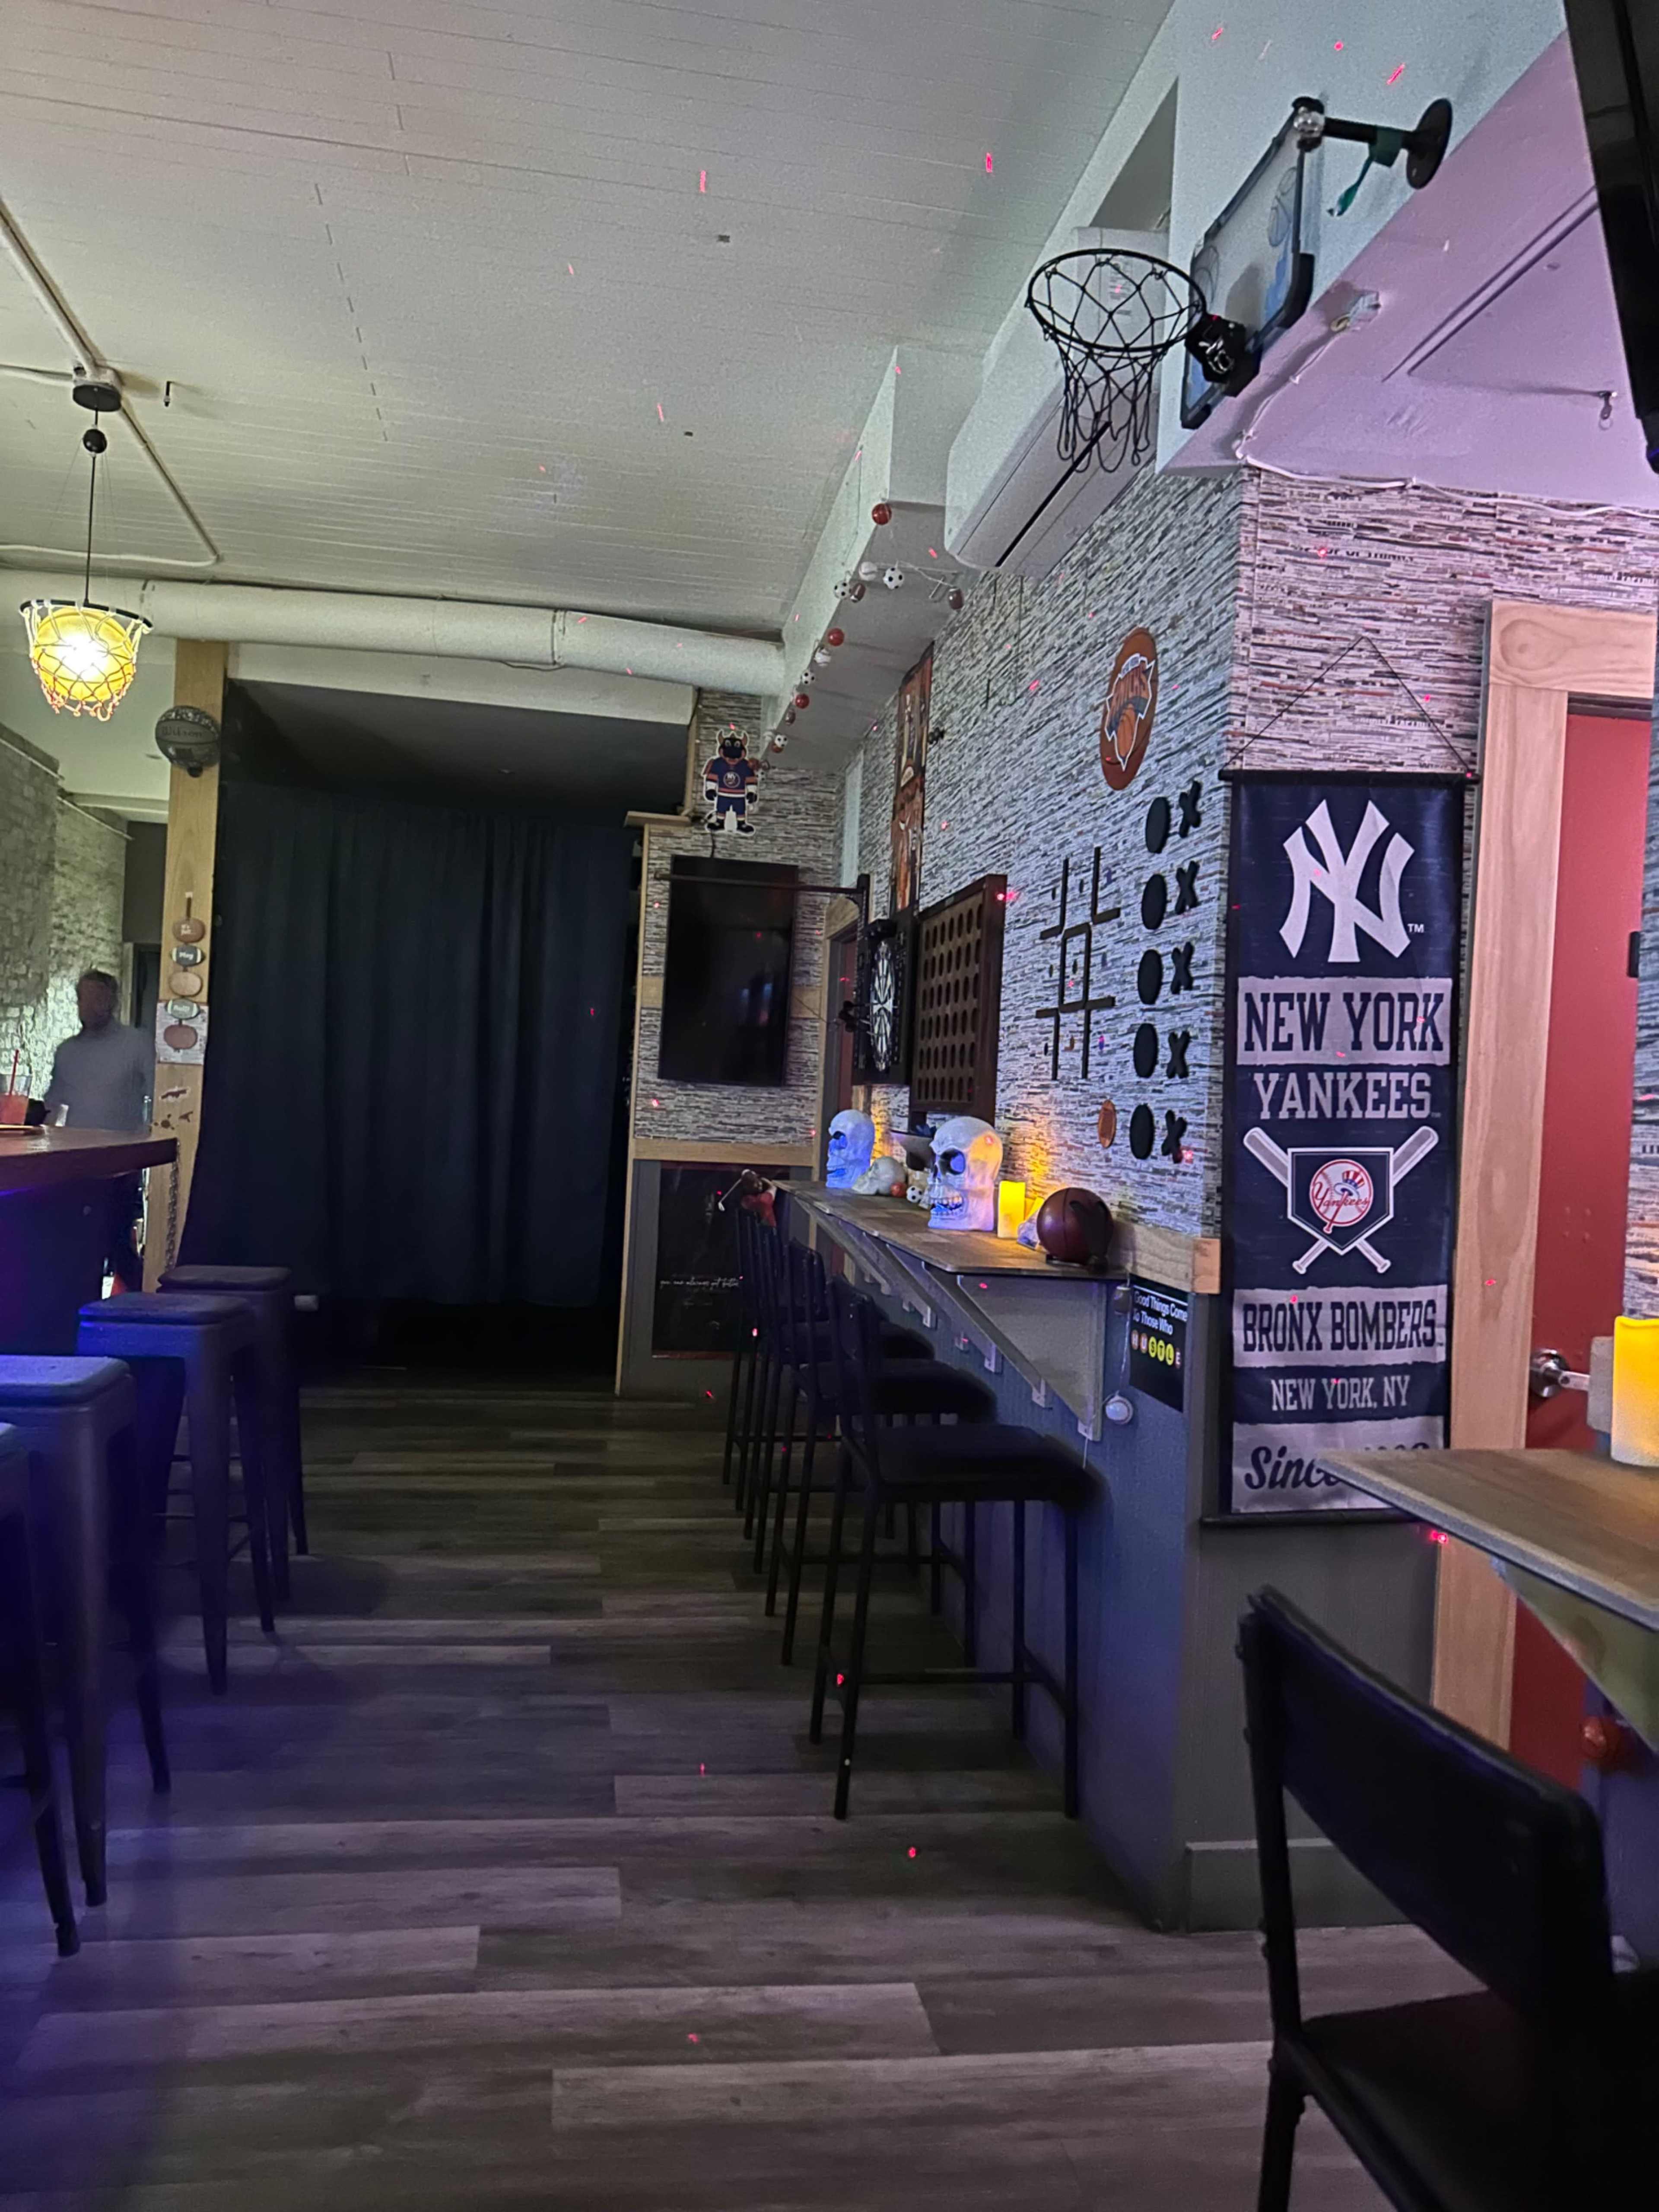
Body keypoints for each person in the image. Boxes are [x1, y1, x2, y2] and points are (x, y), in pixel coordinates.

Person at [44, 969, 154, 1290]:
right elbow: (53, 1106)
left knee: (117, 1240)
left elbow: (161, 1095)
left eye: (96, 998)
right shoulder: (68, 1052)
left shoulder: (137, 1045)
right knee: (81, 1246)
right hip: (76, 1163)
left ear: (113, 1000)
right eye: (83, 998)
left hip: (121, 1164)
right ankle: (82, 1309)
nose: (88, 1005)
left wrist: (148, 1146)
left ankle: (134, 1307)